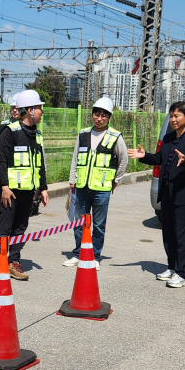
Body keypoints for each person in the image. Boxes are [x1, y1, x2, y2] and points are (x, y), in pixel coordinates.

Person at [127, 101, 185, 288]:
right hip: (166, 191)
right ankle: (172, 267)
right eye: (171, 116)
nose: (173, 119)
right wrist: (144, 156)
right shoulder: (169, 138)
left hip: (183, 193)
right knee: (168, 233)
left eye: (177, 116)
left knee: (181, 234)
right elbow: (159, 159)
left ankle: (183, 273)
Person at [0, 89, 49, 280]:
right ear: (30, 110)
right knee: (4, 227)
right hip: (10, 191)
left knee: (21, 227)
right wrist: (4, 187)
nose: (41, 112)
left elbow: (40, 164)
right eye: (39, 108)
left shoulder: (36, 135)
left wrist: (44, 188)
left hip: (28, 191)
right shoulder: (10, 132)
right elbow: (2, 161)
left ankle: (13, 261)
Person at [63, 97, 128, 269]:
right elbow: (75, 158)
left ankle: (95, 257)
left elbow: (123, 160)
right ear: (92, 115)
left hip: (102, 188)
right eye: (96, 114)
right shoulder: (83, 134)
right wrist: (72, 180)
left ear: (109, 117)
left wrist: (116, 180)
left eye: (103, 115)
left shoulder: (115, 136)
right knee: (80, 222)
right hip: (82, 186)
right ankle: (78, 254)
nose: (99, 118)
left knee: (98, 225)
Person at [0, 94, 20, 211]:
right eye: (12, 108)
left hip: (21, 176)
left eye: (17, 108)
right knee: (6, 209)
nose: (14, 110)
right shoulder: (3, 126)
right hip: (5, 173)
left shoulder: (27, 127)